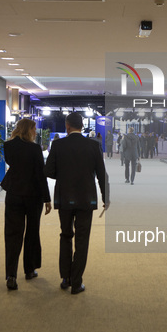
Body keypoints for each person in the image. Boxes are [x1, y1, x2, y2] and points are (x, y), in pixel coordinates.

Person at [44, 113, 109, 295]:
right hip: (86, 199)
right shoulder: (93, 145)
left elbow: (48, 171)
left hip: (64, 198)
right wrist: (106, 197)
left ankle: (65, 277)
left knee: (65, 235)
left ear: (67, 126)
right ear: (82, 126)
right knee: (82, 239)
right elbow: (102, 173)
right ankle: (77, 282)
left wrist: (64, 174)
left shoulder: (57, 145)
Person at [1, 118, 52, 291]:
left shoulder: (8, 146)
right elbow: (40, 174)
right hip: (33, 195)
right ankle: (30, 270)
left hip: (14, 193)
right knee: (31, 232)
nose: (36, 132)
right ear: (28, 129)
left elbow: (13, 166)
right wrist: (47, 198)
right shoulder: (34, 148)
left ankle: (11, 275)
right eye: (34, 129)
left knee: (12, 235)